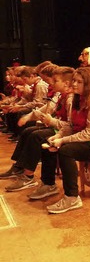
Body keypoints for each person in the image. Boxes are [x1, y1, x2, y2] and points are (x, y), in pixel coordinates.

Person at [42, 67, 90, 214]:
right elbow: (72, 125)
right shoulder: (77, 98)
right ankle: (48, 184)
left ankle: (72, 198)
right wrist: (58, 136)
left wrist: (64, 141)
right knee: (49, 142)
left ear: (89, 84)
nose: (74, 84)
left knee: (66, 151)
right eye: (74, 81)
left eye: (79, 82)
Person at [1, 66, 74, 196]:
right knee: (28, 132)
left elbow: (71, 126)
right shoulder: (61, 95)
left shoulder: (70, 98)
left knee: (37, 136)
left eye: (54, 80)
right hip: (60, 127)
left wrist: (50, 121)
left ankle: (31, 177)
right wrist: (33, 117)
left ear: (66, 83)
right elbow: (50, 108)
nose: (50, 83)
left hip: (66, 131)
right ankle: (20, 167)